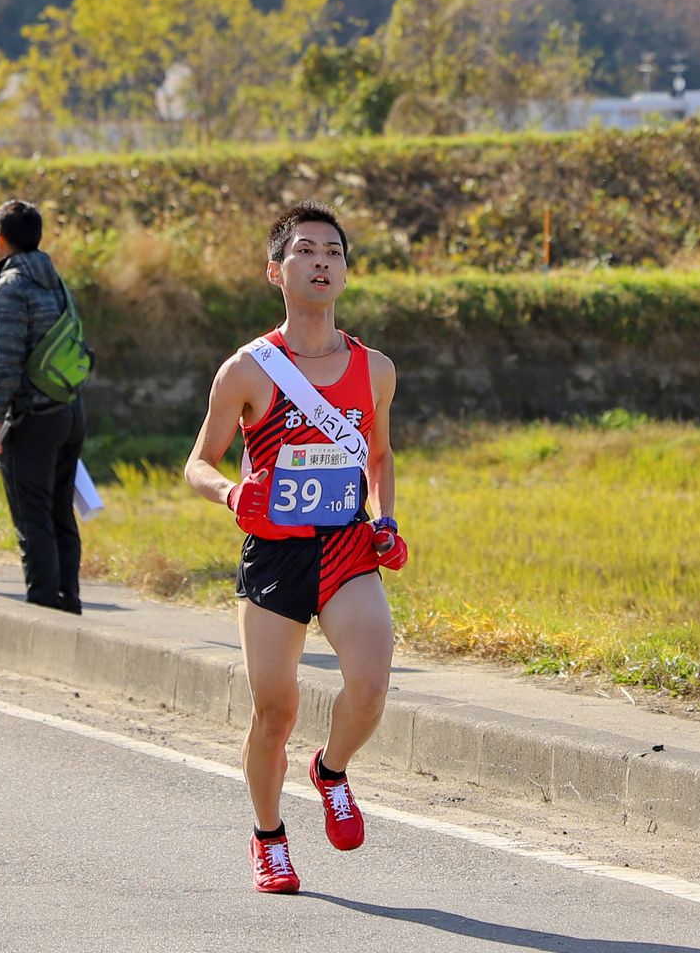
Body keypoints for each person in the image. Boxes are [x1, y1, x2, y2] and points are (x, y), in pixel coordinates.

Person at [184, 199, 408, 894]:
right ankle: (268, 835)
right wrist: (230, 494)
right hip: (275, 555)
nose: (321, 262)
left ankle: (332, 771)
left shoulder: (375, 369)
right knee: (274, 711)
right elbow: (197, 462)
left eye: (334, 252)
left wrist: (387, 519)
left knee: (370, 686)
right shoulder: (246, 370)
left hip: (345, 547)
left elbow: (379, 455)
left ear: (345, 270)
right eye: (306, 251)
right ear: (275, 271)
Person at [0, 199, 86, 615]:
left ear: (1, 240)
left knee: (32, 516)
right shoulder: (55, 278)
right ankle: (68, 603)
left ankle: (43, 611)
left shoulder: (10, 287)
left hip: (33, 418)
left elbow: (5, 361)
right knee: (60, 512)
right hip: (70, 411)